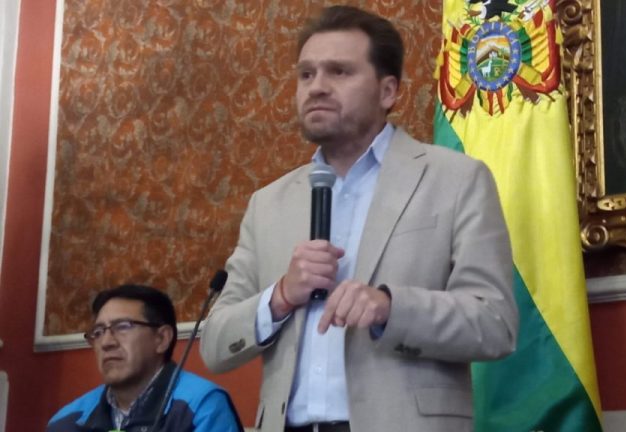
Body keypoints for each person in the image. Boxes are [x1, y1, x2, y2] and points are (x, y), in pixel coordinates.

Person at [199, 5, 518, 432]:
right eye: (306, 74)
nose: (317, 87)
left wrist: (390, 307)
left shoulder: (455, 179)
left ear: (388, 91)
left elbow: (495, 324)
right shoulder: (268, 203)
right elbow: (215, 345)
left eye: (339, 72)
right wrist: (280, 296)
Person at [47, 285, 244, 432]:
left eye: (122, 327)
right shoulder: (67, 421)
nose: (106, 342)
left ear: (162, 339)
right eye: (98, 332)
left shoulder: (200, 406)